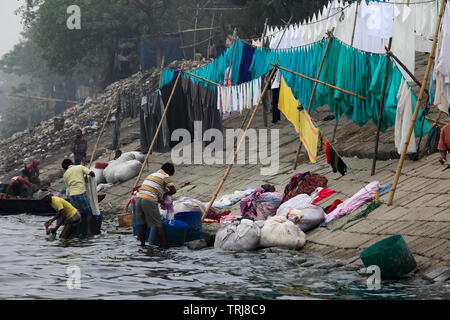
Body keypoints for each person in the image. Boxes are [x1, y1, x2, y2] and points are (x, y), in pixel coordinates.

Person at [136, 163, 177, 247]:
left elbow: (152, 190)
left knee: (142, 225)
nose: (169, 176)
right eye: (170, 174)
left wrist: (161, 200)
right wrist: (165, 194)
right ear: (168, 171)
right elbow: (173, 190)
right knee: (158, 224)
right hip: (149, 199)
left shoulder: (152, 175)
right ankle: (164, 246)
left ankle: (142, 246)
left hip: (138, 199)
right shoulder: (165, 176)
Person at [61, 159, 95, 235]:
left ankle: (77, 231)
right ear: (72, 163)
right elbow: (92, 174)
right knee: (89, 212)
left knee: (77, 214)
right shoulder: (79, 167)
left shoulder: (65, 174)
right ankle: (89, 231)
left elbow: (68, 186)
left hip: (72, 196)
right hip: (81, 193)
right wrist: (84, 178)